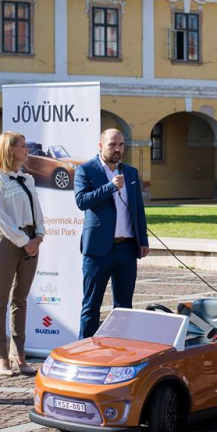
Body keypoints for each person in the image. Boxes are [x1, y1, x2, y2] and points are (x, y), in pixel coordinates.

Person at [75, 129, 149, 339]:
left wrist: (142, 240)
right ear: (100, 146)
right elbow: (82, 201)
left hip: (127, 247)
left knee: (124, 306)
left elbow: (138, 209)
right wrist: (109, 187)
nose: (117, 149)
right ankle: (84, 351)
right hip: (98, 249)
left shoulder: (131, 172)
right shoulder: (86, 170)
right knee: (91, 306)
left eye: (121, 145)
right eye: (112, 145)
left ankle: (121, 349)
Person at [0, 131, 45, 376]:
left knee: (21, 300)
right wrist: (24, 241)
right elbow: (0, 218)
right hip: (7, 243)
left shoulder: (27, 179)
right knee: (0, 301)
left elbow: (38, 213)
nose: (27, 149)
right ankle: (1, 356)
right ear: (9, 149)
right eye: (23, 146)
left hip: (30, 241)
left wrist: (39, 237)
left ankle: (18, 354)